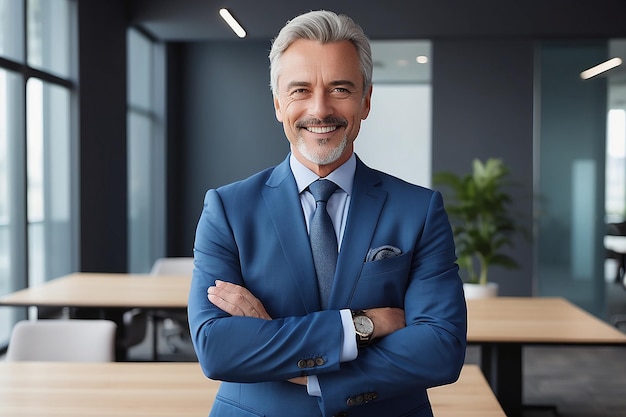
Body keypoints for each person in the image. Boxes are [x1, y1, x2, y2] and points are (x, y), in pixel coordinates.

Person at [188, 10, 467, 417]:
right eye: (300, 90)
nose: (320, 110)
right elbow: (217, 349)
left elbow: (440, 348)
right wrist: (363, 324)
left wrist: (277, 347)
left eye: (340, 88)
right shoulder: (228, 209)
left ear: (365, 101)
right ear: (278, 103)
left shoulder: (419, 210)